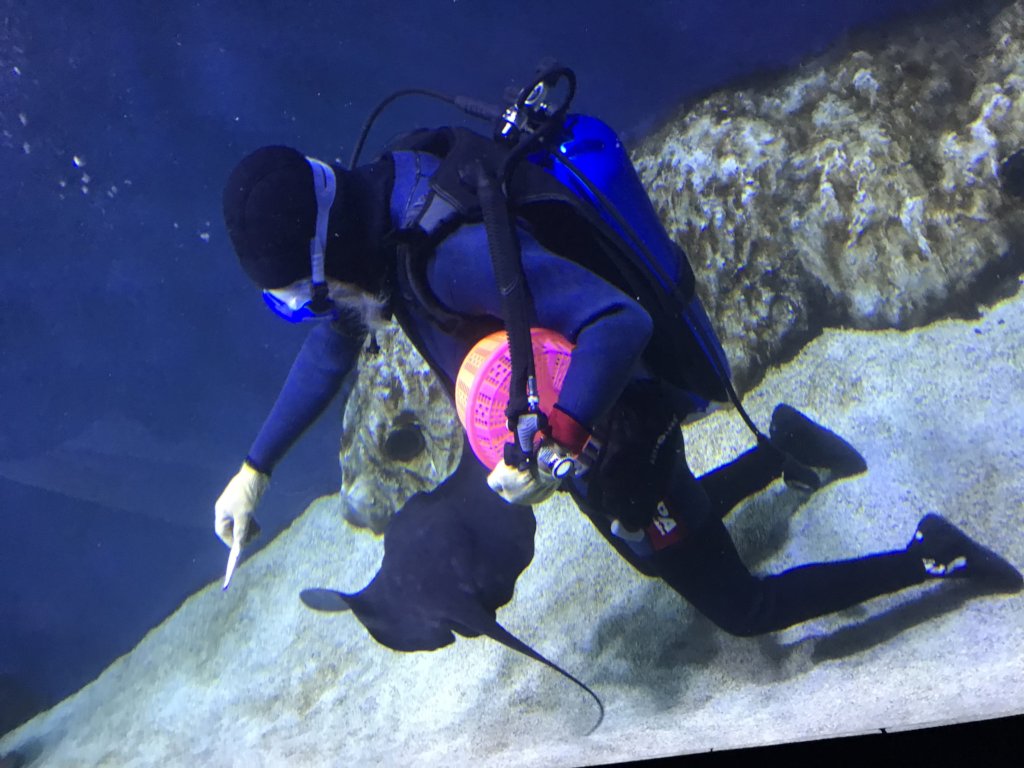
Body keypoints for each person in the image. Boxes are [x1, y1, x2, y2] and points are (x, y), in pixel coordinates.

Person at [214, 109, 1021, 639]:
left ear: (332, 254)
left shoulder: (448, 257)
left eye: (309, 294)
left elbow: (616, 321)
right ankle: (784, 453)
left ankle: (931, 553)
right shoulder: (383, 210)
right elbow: (335, 339)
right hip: (576, 436)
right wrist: (255, 470)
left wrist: (555, 441)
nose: (320, 311)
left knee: (743, 609)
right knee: (649, 549)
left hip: (623, 427)